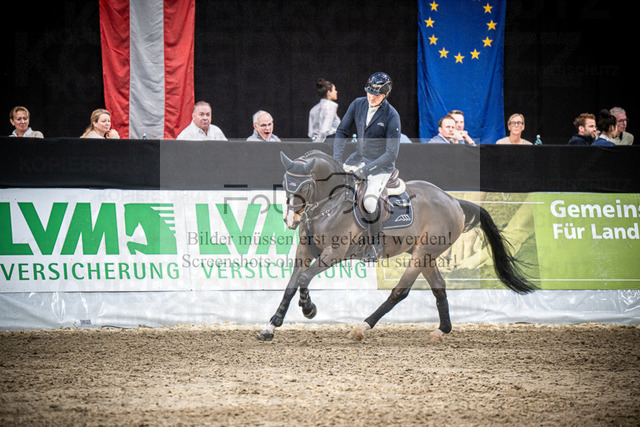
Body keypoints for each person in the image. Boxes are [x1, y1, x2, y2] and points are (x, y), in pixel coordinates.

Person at [333, 72, 401, 262]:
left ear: (385, 94)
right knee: (335, 189)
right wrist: (337, 159)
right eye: (369, 93)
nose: (371, 97)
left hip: (380, 166)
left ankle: (376, 245)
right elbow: (342, 131)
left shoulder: (392, 115)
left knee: (370, 202)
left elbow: (391, 154)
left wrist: (365, 170)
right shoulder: (358, 104)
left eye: (376, 95)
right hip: (358, 158)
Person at [308, 78, 341, 142]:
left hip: (317, 140)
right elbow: (325, 129)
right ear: (329, 93)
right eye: (334, 90)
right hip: (330, 141)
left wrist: (315, 143)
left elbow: (310, 133)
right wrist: (320, 143)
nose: (336, 92)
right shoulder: (331, 106)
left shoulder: (313, 109)